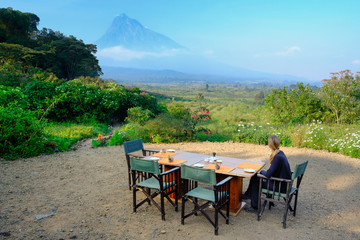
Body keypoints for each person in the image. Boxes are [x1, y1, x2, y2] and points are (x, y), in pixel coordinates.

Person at [243, 135, 291, 212]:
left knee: (256, 179)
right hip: (284, 184)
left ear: (270, 145)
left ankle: (254, 206)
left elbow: (268, 174)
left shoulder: (277, 157)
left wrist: (262, 172)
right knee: (255, 176)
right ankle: (248, 194)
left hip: (279, 186)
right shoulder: (281, 153)